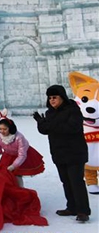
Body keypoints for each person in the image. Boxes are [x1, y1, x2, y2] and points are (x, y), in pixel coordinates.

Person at [33, 85, 91, 222]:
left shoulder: (73, 109)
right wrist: (40, 122)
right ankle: (72, 207)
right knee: (66, 181)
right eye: (50, 98)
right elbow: (45, 130)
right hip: (59, 153)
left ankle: (83, 211)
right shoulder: (50, 113)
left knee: (76, 182)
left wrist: (50, 125)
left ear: (62, 97)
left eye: (55, 97)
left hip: (75, 153)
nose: (52, 100)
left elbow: (72, 128)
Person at [0, 117, 44, 187]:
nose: (2, 131)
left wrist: (13, 166)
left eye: (5, 129)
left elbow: (22, 155)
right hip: (8, 155)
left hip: (21, 156)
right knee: (3, 173)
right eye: (0, 129)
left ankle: (20, 189)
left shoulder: (19, 137)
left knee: (17, 174)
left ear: (10, 128)